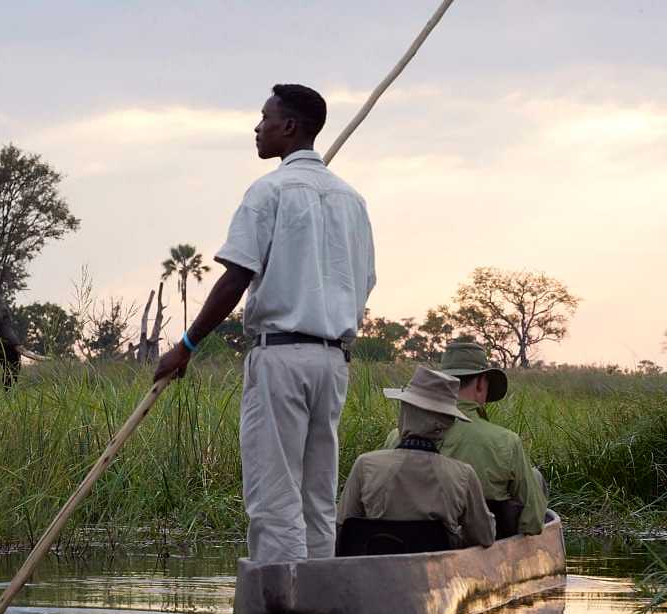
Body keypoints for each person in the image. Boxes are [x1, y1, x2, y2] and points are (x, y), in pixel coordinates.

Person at [154, 83, 376, 563]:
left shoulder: (269, 191)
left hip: (281, 358)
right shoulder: (351, 200)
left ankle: (284, 607)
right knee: (317, 495)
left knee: (275, 494)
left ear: (289, 126)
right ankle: (320, 594)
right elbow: (365, 282)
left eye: (265, 118)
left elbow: (236, 277)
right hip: (333, 361)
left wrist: (187, 345)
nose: (258, 127)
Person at [383, 340, 548, 536]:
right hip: (481, 539)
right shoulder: (507, 441)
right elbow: (533, 521)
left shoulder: (396, 437)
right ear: (480, 383)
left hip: (403, 536)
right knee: (535, 477)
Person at [338, 366, 496, 549]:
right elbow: (485, 536)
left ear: (405, 412)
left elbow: (343, 528)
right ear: (448, 423)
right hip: (436, 574)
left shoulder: (365, 465)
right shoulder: (462, 475)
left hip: (375, 570)